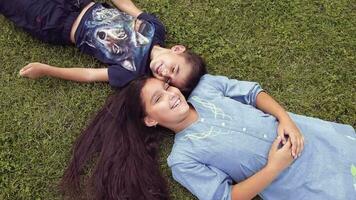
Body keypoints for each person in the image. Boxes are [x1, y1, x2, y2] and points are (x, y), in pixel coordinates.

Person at [61, 74, 356, 199]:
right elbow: (226, 197)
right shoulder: (183, 159)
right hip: (303, 184)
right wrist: (274, 168)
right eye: (158, 100)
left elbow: (253, 93)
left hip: (317, 137)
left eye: (166, 88)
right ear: (150, 119)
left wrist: (286, 119)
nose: (171, 95)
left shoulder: (206, 88)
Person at [0, 0, 205, 91]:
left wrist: (47, 70)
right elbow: (127, 6)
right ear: (177, 49)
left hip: (56, 23)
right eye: (174, 68)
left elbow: (89, 75)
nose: (165, 73)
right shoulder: (156, 30)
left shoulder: (133, 72)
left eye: (168, 80)